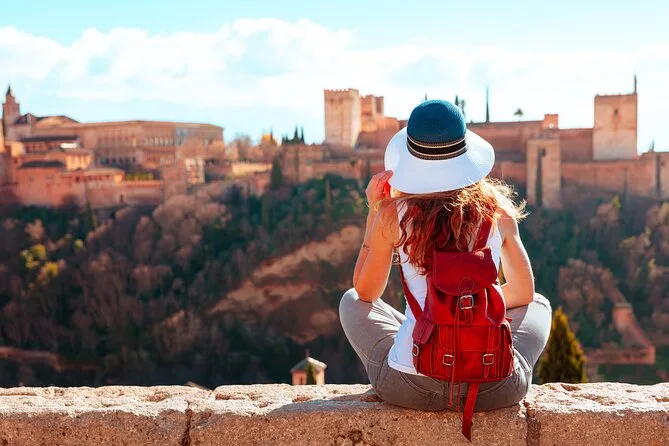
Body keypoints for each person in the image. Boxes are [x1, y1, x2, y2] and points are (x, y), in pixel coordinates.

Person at [339, 99, 552, 414]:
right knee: (539, 304)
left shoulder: (393, 215)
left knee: (351, 301)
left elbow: (366, 292)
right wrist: (472, 306)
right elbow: (523, 294)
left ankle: (419, 338)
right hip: (494, 387)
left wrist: (375, 210)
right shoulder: (497, 212)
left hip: (410, 387)